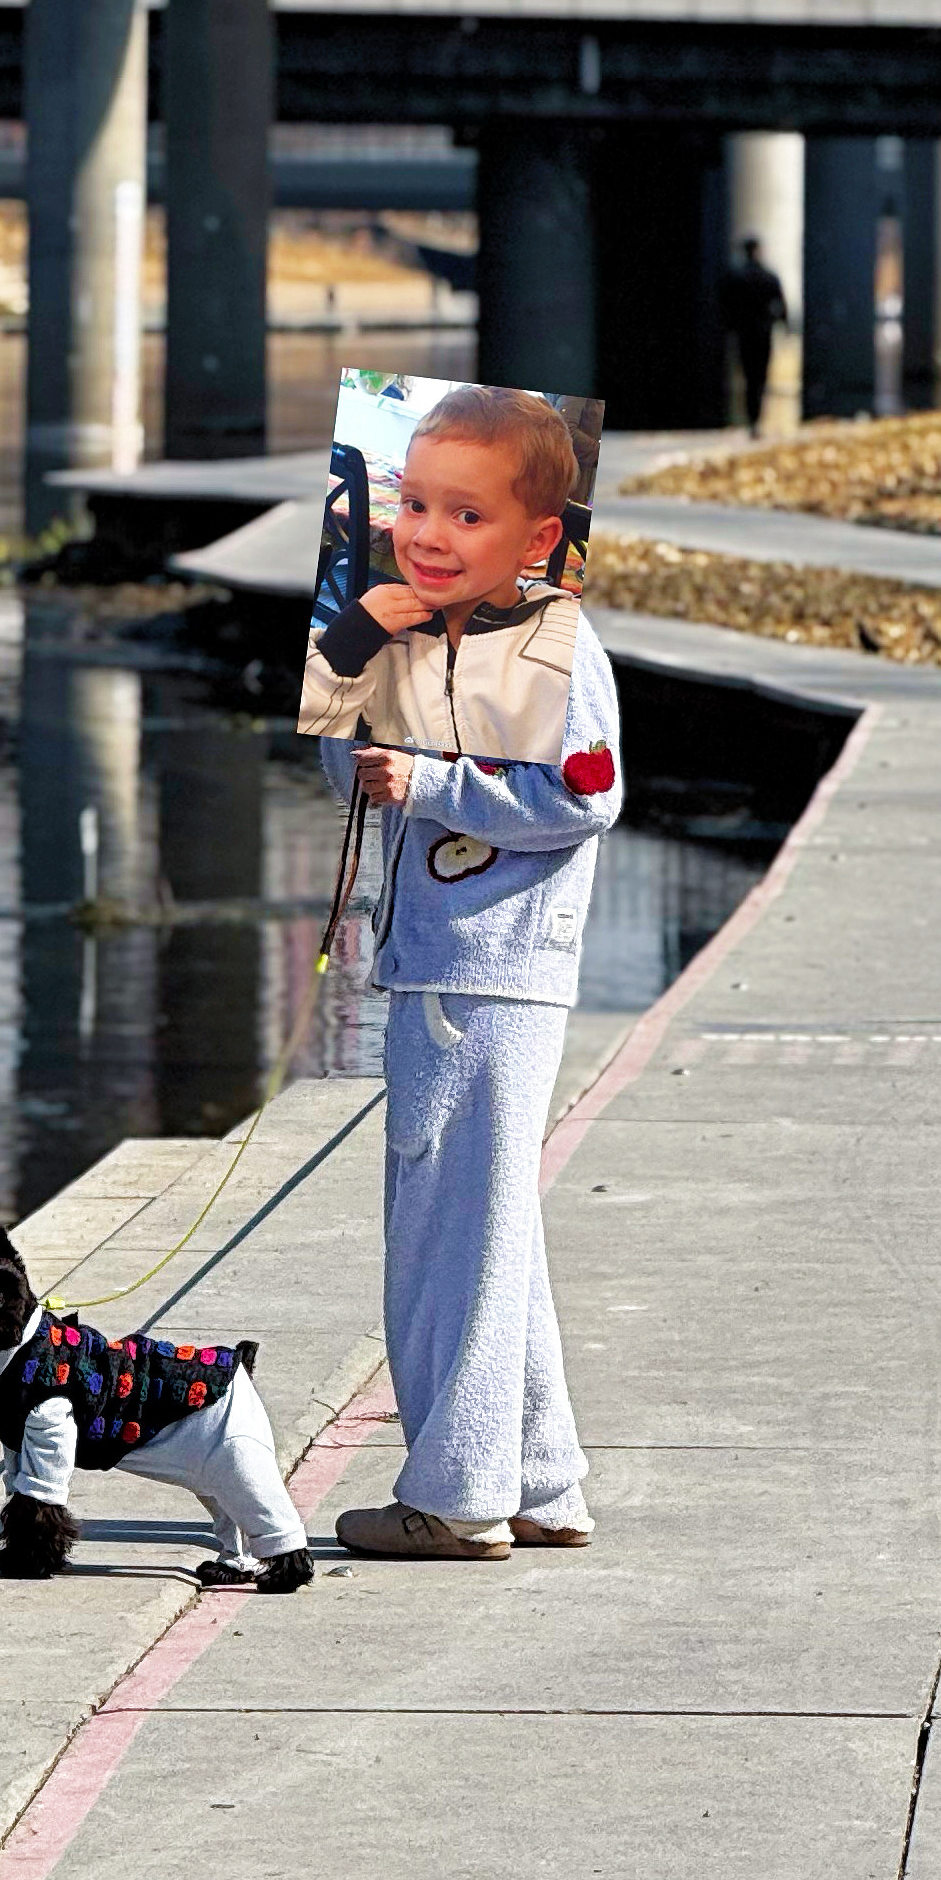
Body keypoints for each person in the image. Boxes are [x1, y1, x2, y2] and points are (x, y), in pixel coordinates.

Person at [302, 385, 622, 1560]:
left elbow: (586, 795)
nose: (431, 534)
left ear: (540, 540)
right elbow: (352, 778)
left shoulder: (553, 646)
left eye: (467, 515)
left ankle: (457, 1492)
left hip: (489, 971)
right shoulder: (410, 633)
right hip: (447, 962)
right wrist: (355, 693)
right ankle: (540, 1479)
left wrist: (430, 785)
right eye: (416, 506)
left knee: (448, 1240)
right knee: (490, 1231)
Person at [718, 234, 789, 428]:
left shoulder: (736, 277)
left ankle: (752, 418)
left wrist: (729, 328)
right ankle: (756, 417)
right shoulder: (769, 277)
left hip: (744, 332)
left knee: (748, 375)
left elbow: (726, 307)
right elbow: (781, 306)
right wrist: (783, 327)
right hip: (763, 332)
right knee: (760, 375)